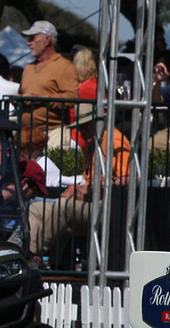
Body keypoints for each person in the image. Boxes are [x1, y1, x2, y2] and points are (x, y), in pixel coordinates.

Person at [27, 105, 131, 264]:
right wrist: (73, 188)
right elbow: (86, 179)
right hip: (88, 206)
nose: (83, 131)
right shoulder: (91, 144)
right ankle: (47, 263)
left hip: (109, 209)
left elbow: (130, 179)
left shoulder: (114, 140)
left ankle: (29, 254)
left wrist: (96, 187)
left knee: (63, 207)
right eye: (81, 127)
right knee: (36, 208)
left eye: (86, 126)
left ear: (97, 124)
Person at [18, 21, 78, 157]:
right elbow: (23, 93)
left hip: (53, 134)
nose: (29, 43)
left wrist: (42, 99)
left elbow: (72, 98)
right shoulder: (28, 68)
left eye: (33, 38)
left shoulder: (65, 66)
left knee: (53, 175)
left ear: (47, 40)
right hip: (28, 136)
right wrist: (18, 99)